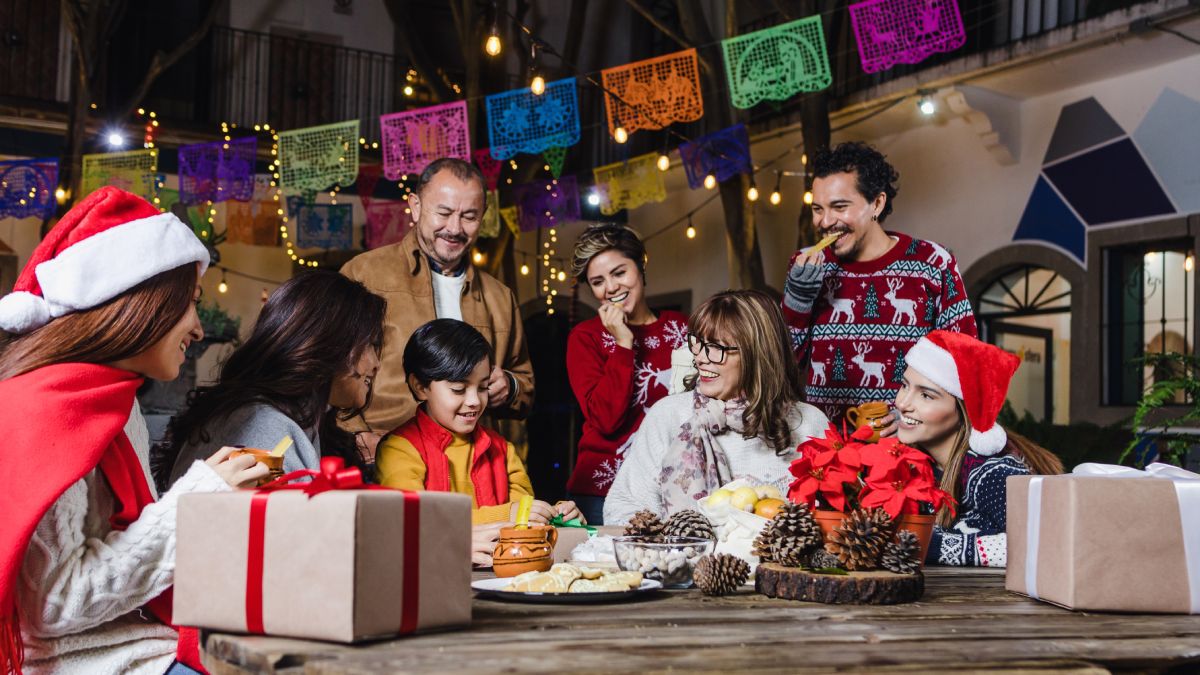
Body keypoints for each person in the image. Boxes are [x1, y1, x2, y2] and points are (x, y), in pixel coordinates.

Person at [0, 187, 267, 675]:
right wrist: (197, 501)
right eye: (187, 304)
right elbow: (54, 606)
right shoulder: (48, 413)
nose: (198, 329)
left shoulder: (110, 400)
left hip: (130, 644)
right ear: (141, 305)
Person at [341, 158, 534, 459]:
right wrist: (357, 435)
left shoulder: (500, 297)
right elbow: (328, 369)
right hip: (385, 459)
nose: (455, 228)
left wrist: (509, 386)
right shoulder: (364, 274)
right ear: (416, 207)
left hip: (470, 469)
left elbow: (525, 386)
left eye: (469, 216)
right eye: (443, 213)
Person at [782, 142, 977, 428]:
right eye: (817, 209)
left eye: (839, 207)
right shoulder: (806, 264)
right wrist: (796, 301)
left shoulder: (933, 263)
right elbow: (781, 364)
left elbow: (964, 360)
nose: (825, 221)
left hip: (909, 453)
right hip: (825, 450)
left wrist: (912, 417)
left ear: (877, 203)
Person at [603, 291, 830, 525]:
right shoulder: (668, 416)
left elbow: (834, 517)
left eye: (716, 347)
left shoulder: (810, 423)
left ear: (757, 354)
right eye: (698, 343)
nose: (700, 357)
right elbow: (621, 507)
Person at [158, 271, 385, 489]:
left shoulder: (279, 417)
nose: (376, 364)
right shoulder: (264, 428)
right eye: (371, 345)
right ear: (332, 344)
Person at [376, 319, 582, 525]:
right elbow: (414, 521)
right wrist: (505, 515)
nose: (475, 401)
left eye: (483, 388)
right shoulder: (399, 449)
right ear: (420, 386)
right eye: (459, 389)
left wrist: (555, 515)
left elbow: (524, 516)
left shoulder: (502, 450)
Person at [897, 330, 1063, 567]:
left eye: (925, 395)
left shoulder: (992, 474)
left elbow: (1049, 542)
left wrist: (929, 545)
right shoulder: (927, 463)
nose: (902, 403)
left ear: (964, 412)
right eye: (904, 386)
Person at [564, 224, 689, 524]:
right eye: (597, 281)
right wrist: (623, 342)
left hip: (673, 483)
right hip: (601, 490)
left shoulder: (682, 327)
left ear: (640, 266)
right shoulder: (585, 337)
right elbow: (606, 420)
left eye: (619, 273)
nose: (610, 288)